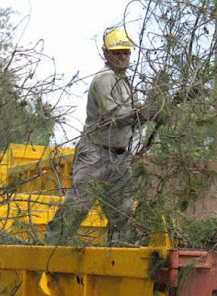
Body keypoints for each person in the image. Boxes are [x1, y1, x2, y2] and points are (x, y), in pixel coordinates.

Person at [46, 26, 143, 245]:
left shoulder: (125, 82)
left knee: (123, 211)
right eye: (117, 53)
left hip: (119, 156)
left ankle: (118, 254)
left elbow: (131, 119)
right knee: (78, 206)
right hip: (96, 153)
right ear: (106, 53)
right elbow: (113, 114)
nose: (122, 57)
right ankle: (51, 249)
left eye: (126, 52)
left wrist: (144, 116)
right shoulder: (104, 78)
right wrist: (142, 113)